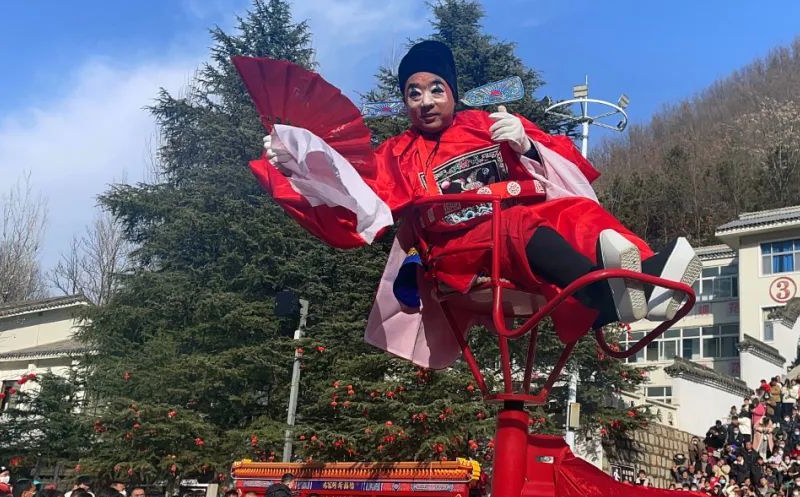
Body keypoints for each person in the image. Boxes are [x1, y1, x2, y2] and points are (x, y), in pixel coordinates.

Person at [255, 39, 700, 372]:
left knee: (573, 213)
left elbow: (567, 173)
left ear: (451, 90)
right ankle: (612, 292)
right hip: (457, 253)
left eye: (434, 89)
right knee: (520, 227)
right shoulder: (396, 153)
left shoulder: (485, 125)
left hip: (516, 228)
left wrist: (526, 145)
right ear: (405, 100)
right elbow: (355, 198)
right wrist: (299, 167)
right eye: (413, 93)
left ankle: (643, 274)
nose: (425, 101)